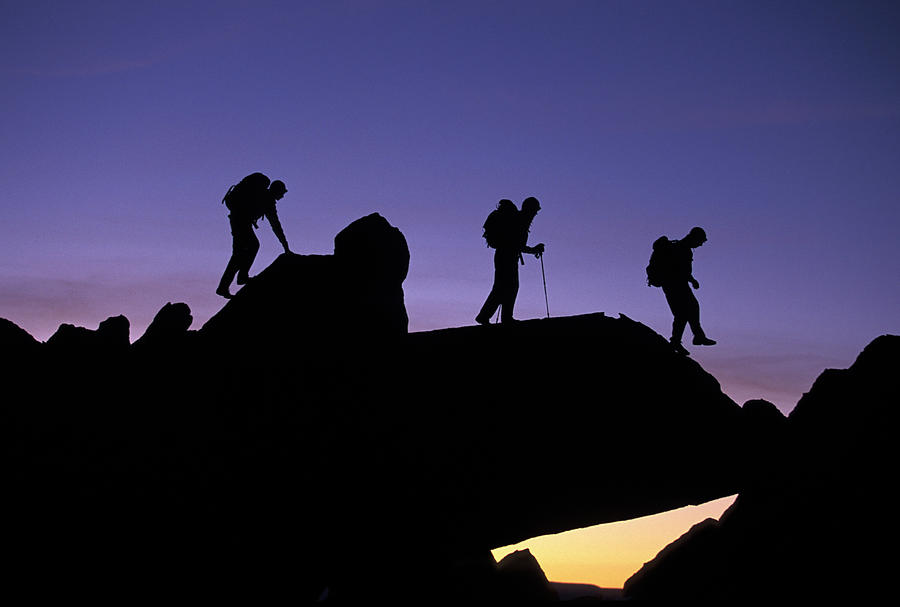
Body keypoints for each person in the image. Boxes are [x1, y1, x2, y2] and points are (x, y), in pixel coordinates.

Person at [216, 175, 292, 299]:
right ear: (276, 190)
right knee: (252, 245)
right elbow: (276, 226)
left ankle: (224, 286)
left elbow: (276, 225)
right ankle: (241, 277)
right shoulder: (267, 200)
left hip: (238, 221)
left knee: (238, 254)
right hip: (240, 221)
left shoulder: (265, 198)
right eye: (282, 193)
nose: (282, 196)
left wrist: (285, 246)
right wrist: (285, 246)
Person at [475, 196, 545, 325]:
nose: (535, 213)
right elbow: (518, 245)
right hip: (506, 257)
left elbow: (517, 245)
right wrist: (534, 250)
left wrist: (533, 250)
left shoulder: (518, 219)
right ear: (530, 209)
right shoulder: (520, 220)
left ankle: (491, 316)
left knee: (504, 287)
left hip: (505, 256)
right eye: (535, 210)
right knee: (508, 287)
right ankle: (499, 317)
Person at [660, 226, 716, 355]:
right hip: (674, 285)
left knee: (690, 309)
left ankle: (696, 337)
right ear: (695, 238)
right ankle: (680, 341)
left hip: (677, 284)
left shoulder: (682, 248)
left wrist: (691, 280)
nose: (701, 244)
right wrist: (692, 280)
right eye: (700, 241)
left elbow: (683, 270)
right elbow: (680, 269)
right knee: (683, 313)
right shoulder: (682, 248)